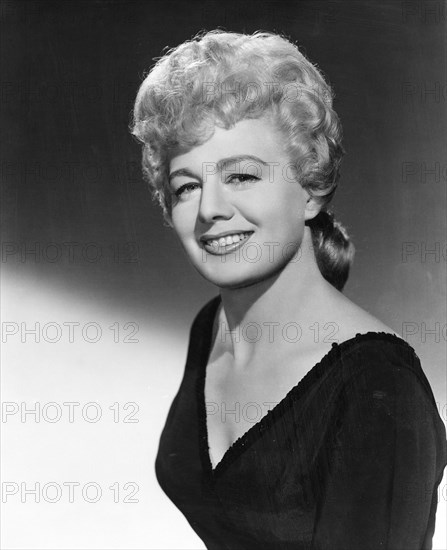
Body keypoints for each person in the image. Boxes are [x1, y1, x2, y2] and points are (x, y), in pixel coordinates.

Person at [131, 29, 447, 549]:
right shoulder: (210, 328)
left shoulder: (377, 389)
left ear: (311, 188)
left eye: (242, 177)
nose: (210, 208)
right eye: (187, 186)